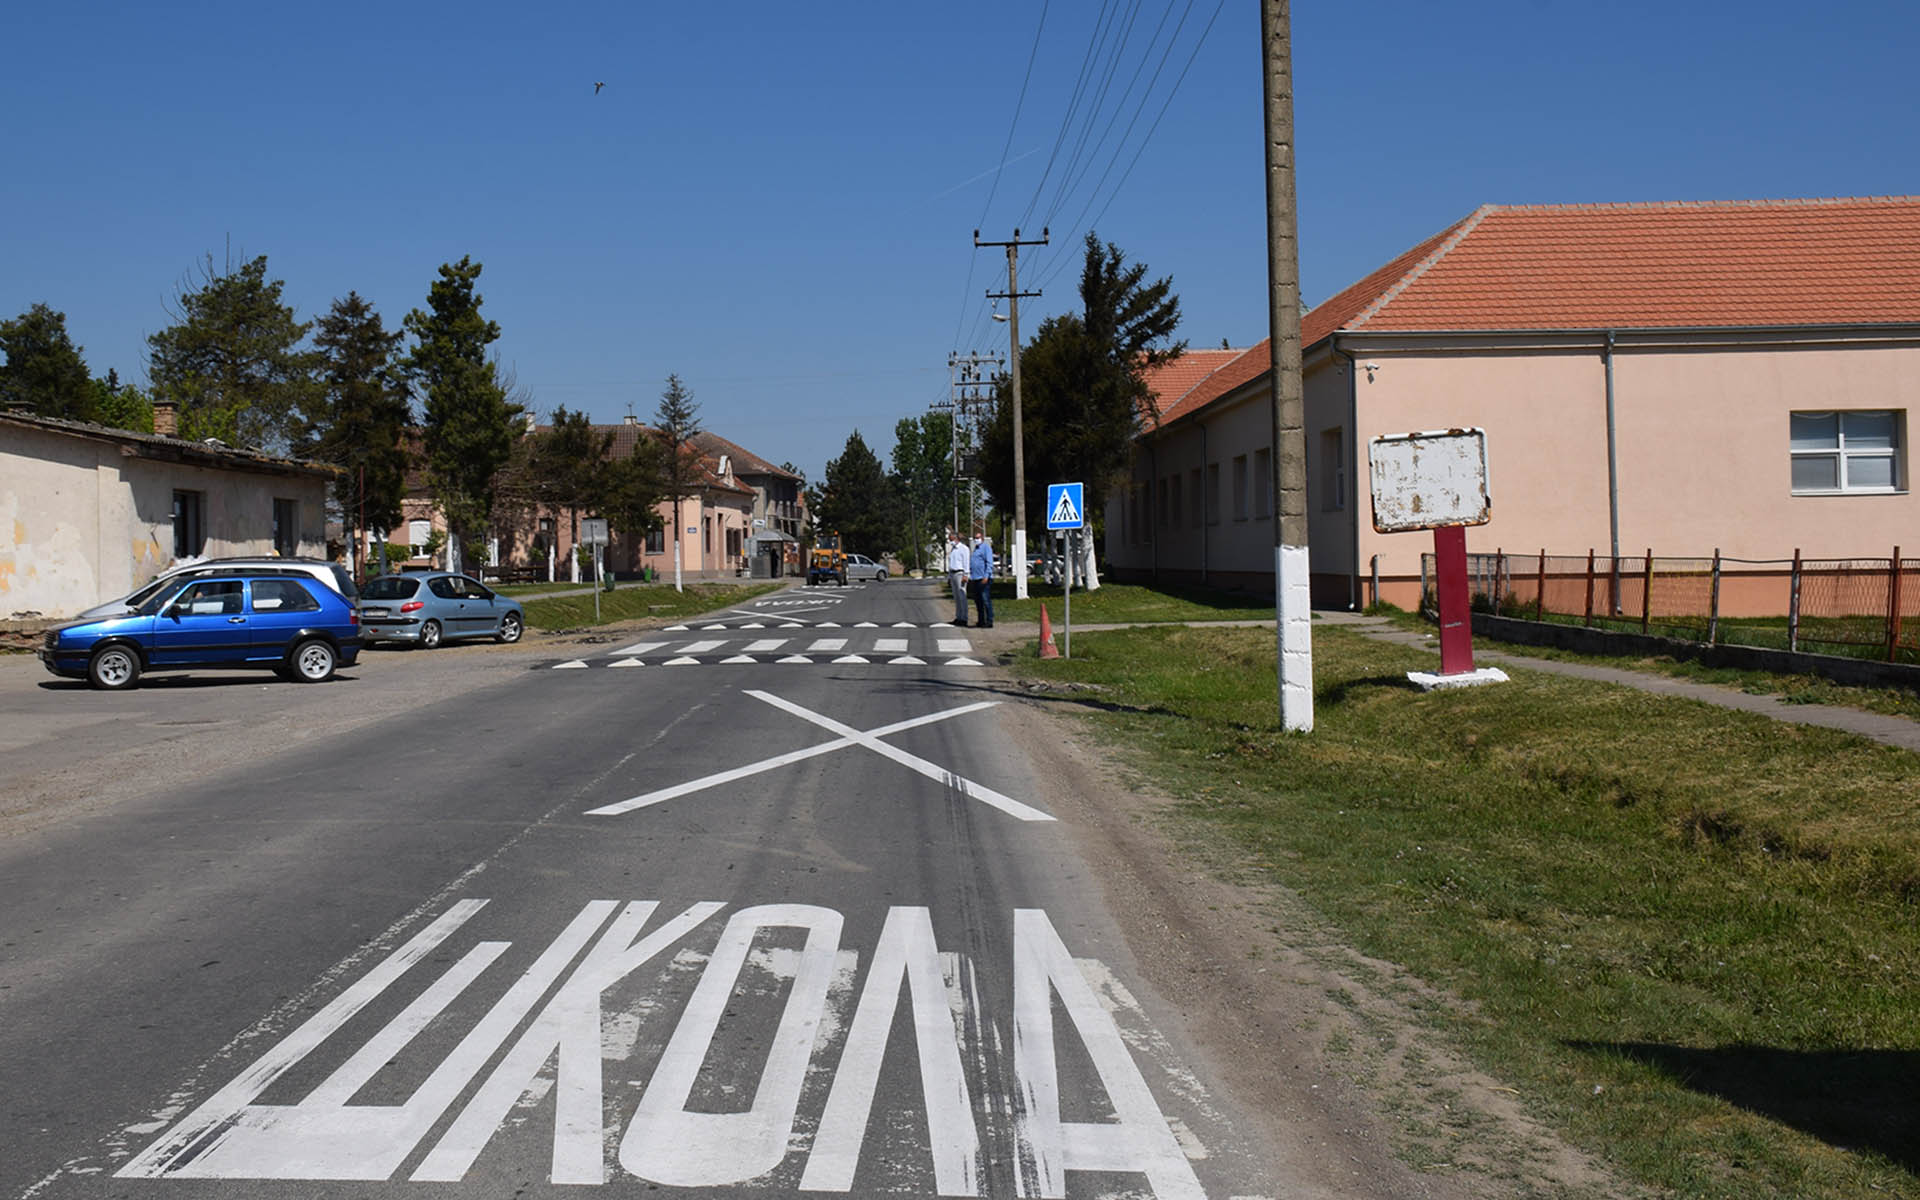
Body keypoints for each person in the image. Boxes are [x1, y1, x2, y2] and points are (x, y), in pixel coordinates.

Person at [968, 528, 996, 628]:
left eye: (978, 538)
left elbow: (989, 563)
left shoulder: (986, 548)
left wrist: (986, 576)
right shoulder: (976, 549)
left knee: (985, 600)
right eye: (975, 538)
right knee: (978, 601)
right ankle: (981, 620)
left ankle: (989, 620)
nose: (976, 540)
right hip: (975, 578)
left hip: (984, 578)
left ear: (982, 538)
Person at [945, 530, 970, 626]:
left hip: (960, 573)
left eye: (951, 540)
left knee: (962, 596)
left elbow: (966, 562)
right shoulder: (953, 549)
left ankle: (964, 618)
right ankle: (958, 617)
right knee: (956, 597)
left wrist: (966, 574)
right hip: (953, 573)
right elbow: (952, 563)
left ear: (956, 539)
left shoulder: (964, 548)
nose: (950, 542)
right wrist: (949, 576)